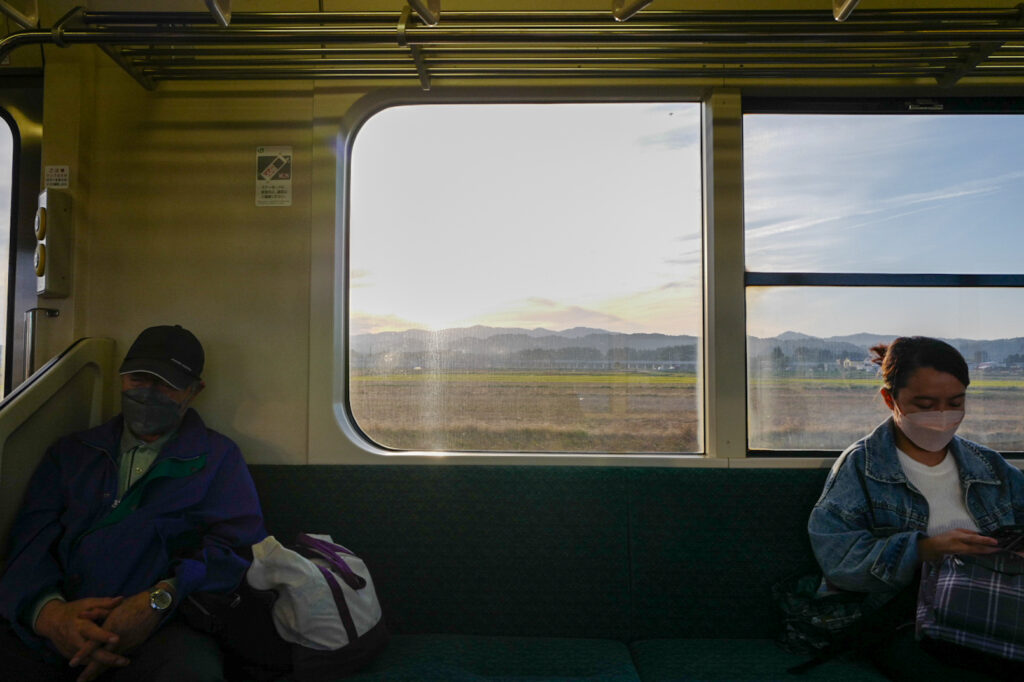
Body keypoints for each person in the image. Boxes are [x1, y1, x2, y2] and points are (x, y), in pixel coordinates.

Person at [0, 325, 267, 682]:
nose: (149, 393)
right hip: (60, 617)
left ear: (194, 391)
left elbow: (238, 550)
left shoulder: (218, 458)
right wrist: (49, 614)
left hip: (163, 629)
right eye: (139, 378)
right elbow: (28, 544)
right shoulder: (72, 453)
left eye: (166, 383)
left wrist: (161, 598)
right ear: (122, 377)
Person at [808, 336, 1024, 680]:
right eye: (924, 404)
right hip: (901, 617)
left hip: (994, 605)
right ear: (889, 399)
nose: (941, 417)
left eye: (955, 402)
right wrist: (925, 549)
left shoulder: (990, 466)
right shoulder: (861, 468)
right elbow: (840, 562)